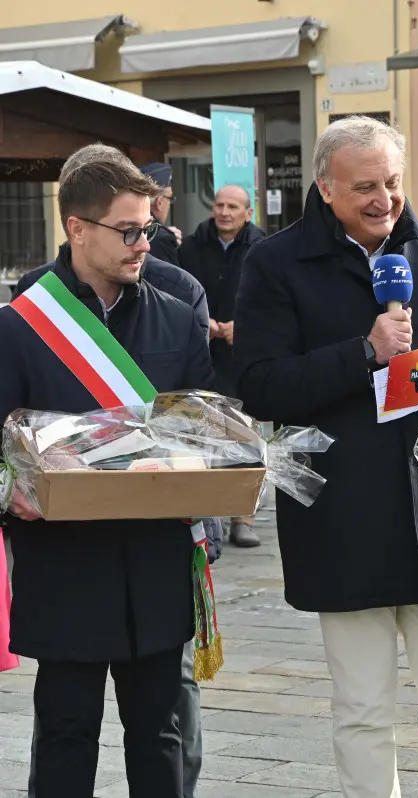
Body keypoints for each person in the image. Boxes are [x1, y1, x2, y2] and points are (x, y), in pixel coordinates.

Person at [232, 115, 418, 798]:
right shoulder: (274, 263)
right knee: (363, 709)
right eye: (364, 188)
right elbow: (260, 383)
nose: (384, 199)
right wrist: (364, 353)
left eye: (392, 182)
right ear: (325, 188)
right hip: (342, 518)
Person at [0, 144, 214, 797]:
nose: (142, 244)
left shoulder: (179, 321)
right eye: (127, 230)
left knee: (161, 741)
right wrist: (14, 494)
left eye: (147, 228)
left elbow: (203, 434)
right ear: (76, 228)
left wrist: (206, 482)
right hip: (65, 566)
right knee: (66, 738)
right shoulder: (17, 329)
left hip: (154, 564)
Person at [179, 184, 268, 549]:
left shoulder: (264, 248)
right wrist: (206, 323)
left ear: (249, 213)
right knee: (202, 435)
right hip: (202, 355)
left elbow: (272, 300)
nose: (224, 212)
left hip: (246, 357)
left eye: (233, 206)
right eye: (219, 204)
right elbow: (178, 292)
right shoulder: (192, 245)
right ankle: (205, 515)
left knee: (246, 437)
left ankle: (242, 519)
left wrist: (241, 327)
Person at [139, 162, 183, 266]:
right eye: (170, 198)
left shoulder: (127, 227)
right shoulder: (163, 238)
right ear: (160, 202)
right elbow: (171, 279)